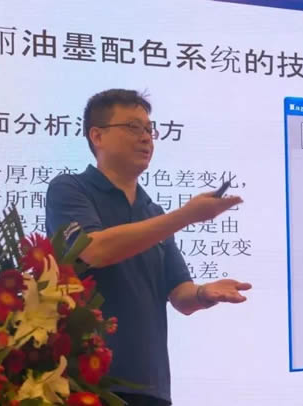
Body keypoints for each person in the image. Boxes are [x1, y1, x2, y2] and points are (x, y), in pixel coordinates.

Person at [46, 89, 252, 406]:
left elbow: (180, 295)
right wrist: (186, 215)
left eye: (148, 129)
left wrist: (204, 293)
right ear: (97, 136)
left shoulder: (153, 212)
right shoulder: (70, 189)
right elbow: (95, 250)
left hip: (150, 386)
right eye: (133, 127)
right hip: (86, 382)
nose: (146, 138)